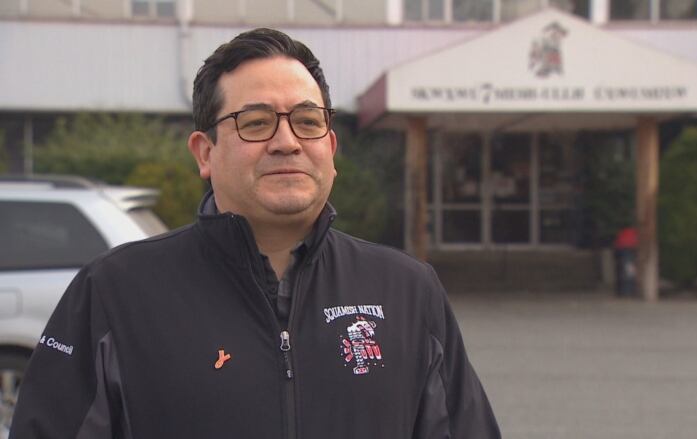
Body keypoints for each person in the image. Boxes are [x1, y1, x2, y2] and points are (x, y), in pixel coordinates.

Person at [10, 28, 501, 439]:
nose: (286, 142)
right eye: (256, 123)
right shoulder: (114, 292)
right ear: (205, 152)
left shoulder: (409, 290)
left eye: (307, 122)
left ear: (330, 147)